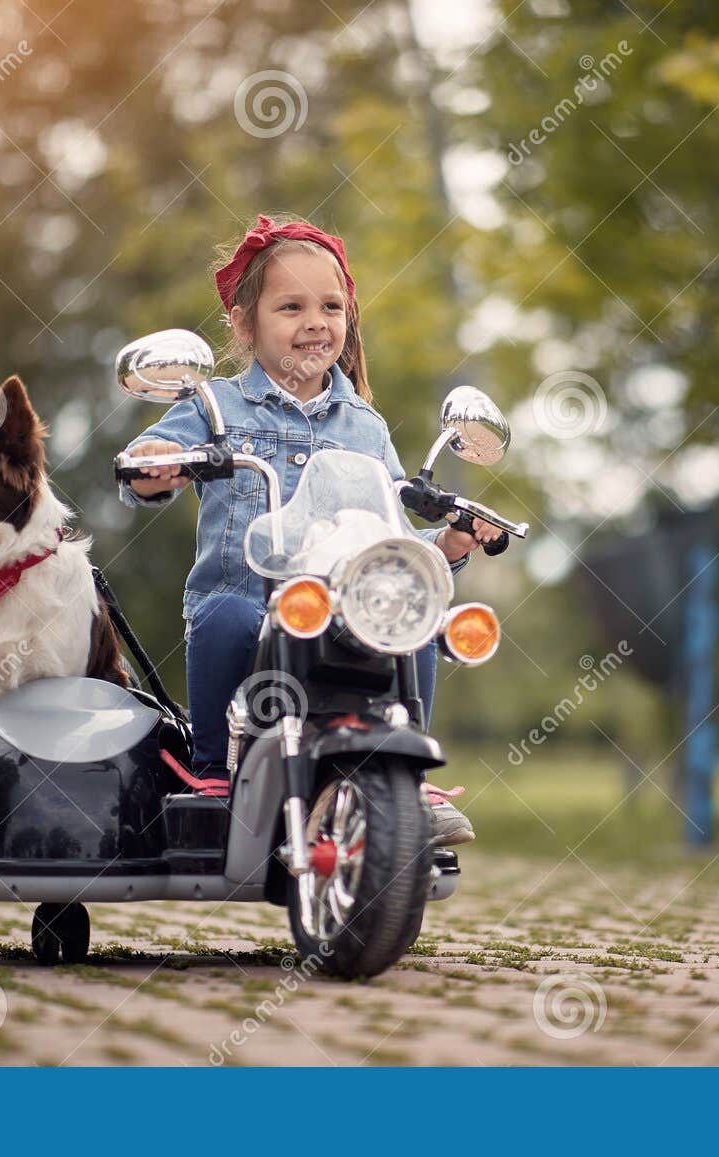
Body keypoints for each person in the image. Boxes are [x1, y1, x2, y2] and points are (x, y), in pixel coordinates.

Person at [121, 213, 499, 845]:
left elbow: (393, 533)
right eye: (290, 306)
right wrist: (156, 467)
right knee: (223, 616)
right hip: (251, 602)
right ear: (245, 324)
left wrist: (452, 543)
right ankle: (213, 770)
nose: (315, 322)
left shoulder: (366, 426)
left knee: (415, 616)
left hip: (344, 614)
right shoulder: (215, 406)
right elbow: (145, 460)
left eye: (330, 305)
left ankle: (402, 774)